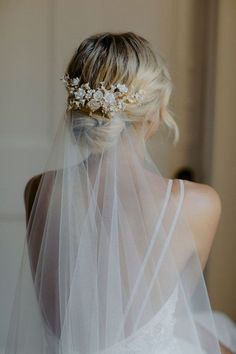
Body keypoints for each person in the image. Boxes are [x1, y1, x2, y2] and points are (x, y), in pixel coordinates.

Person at [4, 32, 236, 354]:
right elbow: (178, 303)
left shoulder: (37, 190)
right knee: (221, 332)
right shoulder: (199, 205)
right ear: (154, 114)